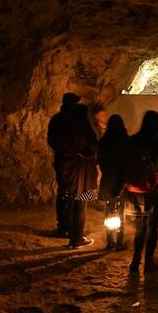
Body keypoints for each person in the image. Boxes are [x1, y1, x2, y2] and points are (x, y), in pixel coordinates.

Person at [123, 111, 158, 272]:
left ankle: (135, 260)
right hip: (154, 190)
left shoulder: (133, 140)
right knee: (153, 226)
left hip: (136, 190)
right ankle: (149, 261)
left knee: (141, 226)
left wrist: (122, 185)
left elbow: (125, 164)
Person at [58, 103, 98, 249]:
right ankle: (78, 239)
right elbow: (92, 150)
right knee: (81, 205)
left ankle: (72, 239)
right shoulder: (87, 132)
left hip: (71, 173)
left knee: (71, 204)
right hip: (84, 175)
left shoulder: (67, 130)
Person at [47, 92, 80, 238]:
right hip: (71, 161)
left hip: (61, 159)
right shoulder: (73, 121)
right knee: (72, 193)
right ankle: (69, 226)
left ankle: (63, 226)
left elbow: (51, 140)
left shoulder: (56, 119)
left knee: (63, 192)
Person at [97, 114, 129, 250]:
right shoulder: (126, 140)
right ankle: (120, 242)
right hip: (121, 179)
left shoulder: (104, 140)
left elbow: (100, 160)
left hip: (108, 179)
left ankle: (110, 241)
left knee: (109, 211)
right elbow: (129, 161)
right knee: (121, 210)